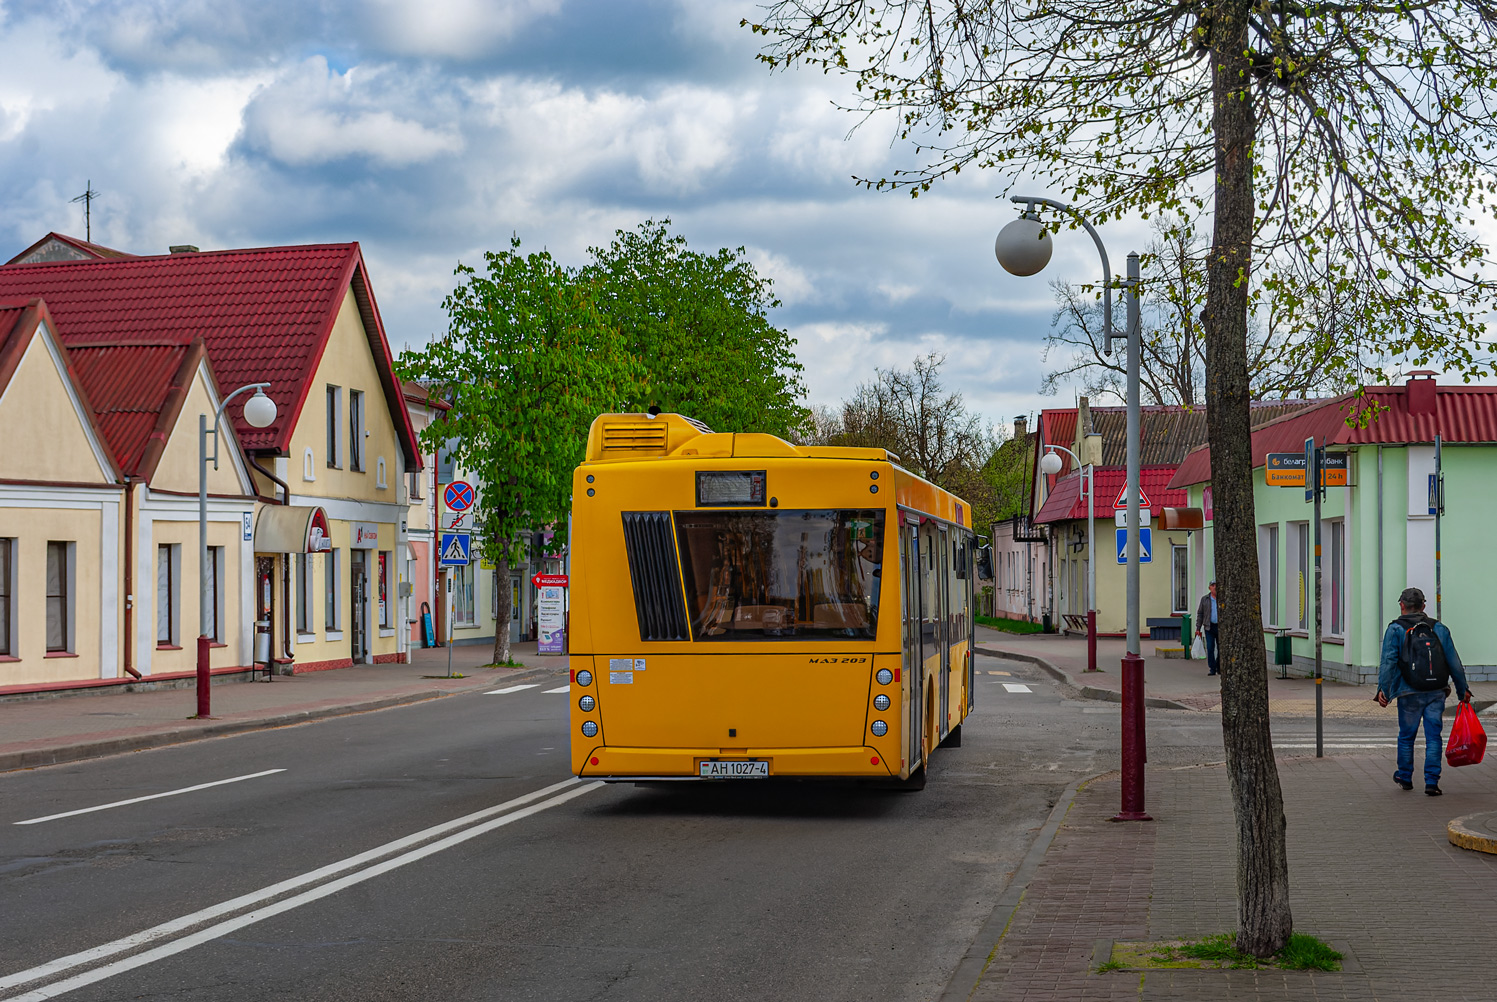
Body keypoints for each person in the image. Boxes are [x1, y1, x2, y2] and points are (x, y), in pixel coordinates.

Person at [1376, 587, 1472, 796]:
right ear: (1424, 606)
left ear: (1402, 605)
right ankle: (1431, 782)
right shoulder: (1439, 629)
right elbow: (1454, 662)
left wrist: (1383, 689)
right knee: (1434, 737)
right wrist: (1462, 689)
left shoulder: (1395, 629)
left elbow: (1388, 661)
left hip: (1408, 692)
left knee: (1406, 736)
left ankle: (1404, 776)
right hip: (1436, 690)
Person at [1194, 581, 1220, 676]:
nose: (1215, 587)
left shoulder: (1222, 599)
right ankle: (1212, 668)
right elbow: (1200, 614)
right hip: (1209, 627)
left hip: (1220, 627)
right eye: (1213, 585)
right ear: (1209, 588)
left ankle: (1219, 666)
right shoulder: (1205, 599)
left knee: (1221, 648)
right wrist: (1198, 628)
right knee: (1210, 647)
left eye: (1216, 585)